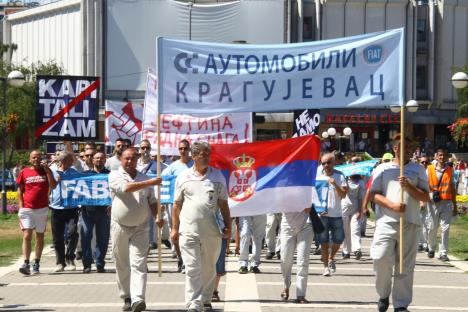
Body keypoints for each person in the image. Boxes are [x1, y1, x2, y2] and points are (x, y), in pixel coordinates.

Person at [369, 134, 429, 312]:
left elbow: (425, 196)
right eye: (405, 148)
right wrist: (392, 205)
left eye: (411, 148)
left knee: (404, 266)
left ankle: (401, 304)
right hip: (386, 222)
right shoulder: (382, 168)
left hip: (410, 223)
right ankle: (383, 293)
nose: (409, 151)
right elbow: (374, 194)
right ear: (395, 148)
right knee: (380, 258)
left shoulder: (418, 169)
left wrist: (410, 187)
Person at [170, 141, 231, 312]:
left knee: (209, 267)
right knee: (192, 267)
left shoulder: (217, 176)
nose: (206, 157)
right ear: (194, 156)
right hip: (188, 230)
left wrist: (228, 226)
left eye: (207, 154)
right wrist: (175, 228)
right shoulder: (183, 177)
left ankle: (205, 299)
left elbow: (224, 204)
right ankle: (193, 303)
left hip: (212, 231)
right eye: (202, 155)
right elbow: (176, 205)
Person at [109, 148, 163, 312]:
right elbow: (126, 188)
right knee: (122, 262)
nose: (129, 161)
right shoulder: (114, 175)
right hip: (120, 224)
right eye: (126, 158)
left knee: (139, 263)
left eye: (132, 159)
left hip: (141, 225)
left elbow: (152, 200)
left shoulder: (144, 177)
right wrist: (151, 182)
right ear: (121, 159)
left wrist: (157, 216)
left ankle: (138, 299)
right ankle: (126, 296)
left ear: (137, 159)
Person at [16, 150, 57, 275]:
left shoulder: (46, 171)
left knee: (39, 236)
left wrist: (47, 171)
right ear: (30, 159)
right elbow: (19, 191)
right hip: (27, 209)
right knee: (27, 235)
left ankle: (37, 262)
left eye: (38, 157)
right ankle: (26, 262)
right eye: (34, 157)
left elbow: (53, 185)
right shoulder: (24, 172)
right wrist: (21, 207)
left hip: (42, 209)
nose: (36, 160)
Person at [162, 139, 194, 272]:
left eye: (185, 148)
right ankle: (181, 258)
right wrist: (162, 203)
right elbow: (163, 183)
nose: (183, 151)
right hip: (176, 204)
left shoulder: (195, 165)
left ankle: (188, 260)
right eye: (181, 148)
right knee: (175, 232)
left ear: (189, 149)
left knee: (189, 232)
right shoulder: (172, 167)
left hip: (191, 204)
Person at [316, 153, 348, 276]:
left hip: (336, 214)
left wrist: (335, 184)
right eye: (323, 163)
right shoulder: (318, 178)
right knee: (323, 241)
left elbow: (344, 195)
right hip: (322, 214)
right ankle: (325, 267)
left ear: (334, 163)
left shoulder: (339, 176)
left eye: (329, 162)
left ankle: (331, 258)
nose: (326, 165)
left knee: (338, 240)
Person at [49, 151, 81, 272]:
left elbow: (81, 186)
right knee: (57, 237)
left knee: (72, 233)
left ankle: (70, 258)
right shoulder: (52, 170)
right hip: (56, 207)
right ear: (62, 161)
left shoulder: (74, 172)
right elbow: (49, 185)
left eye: (71, 160)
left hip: (71, 207)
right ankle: (60, 262)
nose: (71, 162)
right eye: (68, 160)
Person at [80, 152, 111, 273]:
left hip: (104, 212)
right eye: (97, 158)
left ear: (105, 160)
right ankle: (87, 264)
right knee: (86, 236)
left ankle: (99, 263)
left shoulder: (110, 175)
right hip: (87, 212)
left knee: (103, 239)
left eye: (102, 158)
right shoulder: (85, 175)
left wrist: (111, 204)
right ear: (92, 160)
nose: (99, 160)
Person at [426, 148, 457, 262]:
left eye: (443, 155)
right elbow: (424, 185)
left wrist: (455, 205)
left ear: (446, 156)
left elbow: (453, 188)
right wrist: (427, 197)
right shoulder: (429, 169)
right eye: (439, 155)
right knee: (432, 227)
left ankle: (443, 252)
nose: (441, 157)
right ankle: (431, 248)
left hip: (446, 202)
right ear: (436, 157)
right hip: (433, 202)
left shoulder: (450, 170)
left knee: (445, 228)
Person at [279, 208, 314, 304]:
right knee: (285, 260)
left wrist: (312, 204)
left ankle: (301, 295)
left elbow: (317, 198)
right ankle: (286, 286)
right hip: (287, 224)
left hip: (306, 224)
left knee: (303, 260)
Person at [341, 174, 365, 260]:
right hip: (343, 208)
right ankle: (346, 251)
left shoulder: (361, 183)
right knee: (345, 230)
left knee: (355, 230)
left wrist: (360, 210)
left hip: (356, 209)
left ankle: (357, 249)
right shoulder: (343, 181)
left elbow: (361, 198)